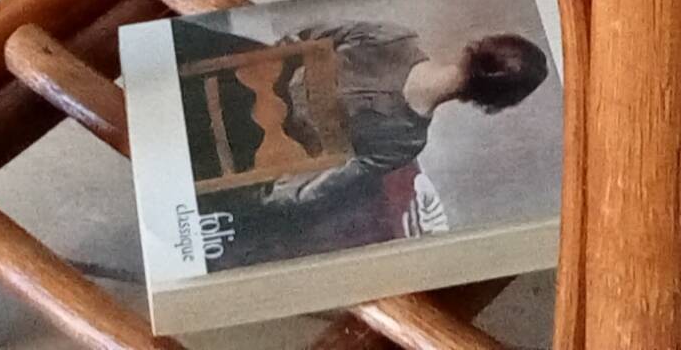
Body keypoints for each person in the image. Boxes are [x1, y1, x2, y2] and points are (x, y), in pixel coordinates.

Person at [209, 19, 552, 262]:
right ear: (491, 101)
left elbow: (305, 37)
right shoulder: (406, 141)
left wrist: (261, 75)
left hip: (227, 85)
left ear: (477, 47)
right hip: (234, 148)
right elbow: (314, 187)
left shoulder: (396, 39)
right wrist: (264, 195)